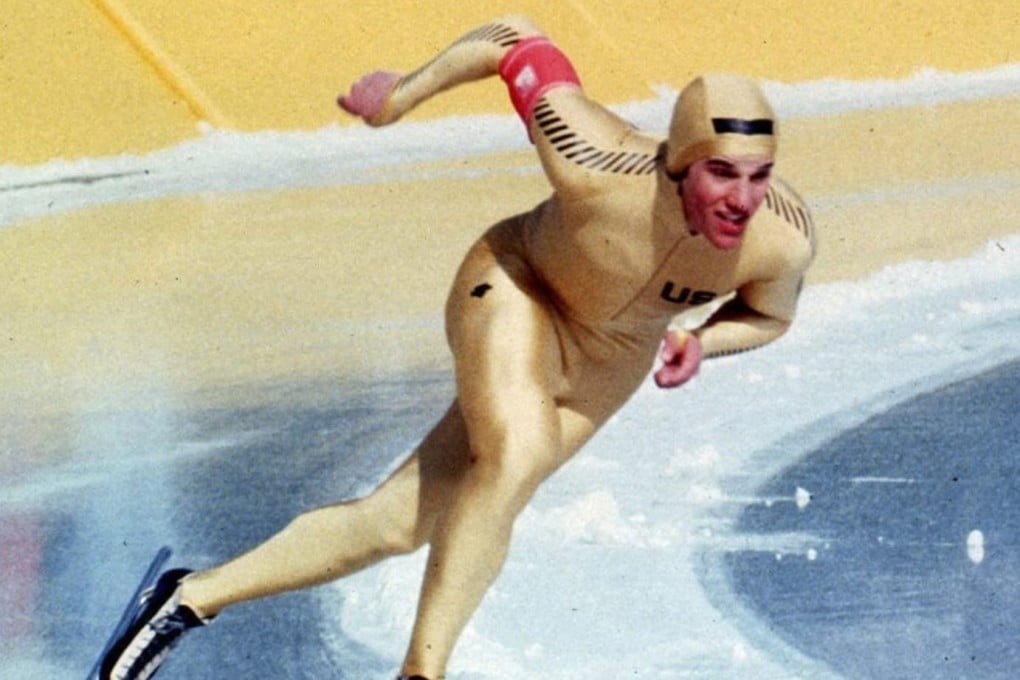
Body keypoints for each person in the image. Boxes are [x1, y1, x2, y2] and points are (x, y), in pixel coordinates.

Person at [99, 14, 815, 680]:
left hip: (611, 360)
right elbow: (512, 39)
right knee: (518, 454)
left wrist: (700, 339)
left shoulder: (781, 239)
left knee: (398, 523)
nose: (742, 199)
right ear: (680, 164)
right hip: (515, 286)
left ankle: (187, 598)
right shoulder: (595, 159)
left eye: (758, 176)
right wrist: (398, 98)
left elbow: (768, 318)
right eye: (722, 172)